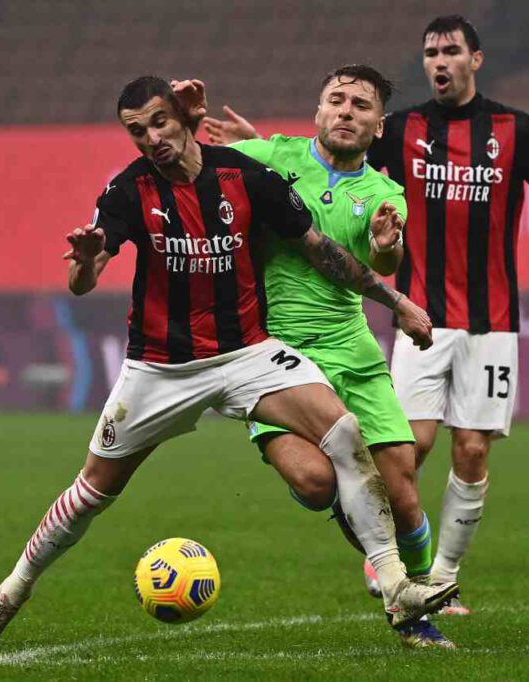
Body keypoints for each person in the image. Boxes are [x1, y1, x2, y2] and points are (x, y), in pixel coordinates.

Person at [205, 15, 529, 614]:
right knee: (408, 450)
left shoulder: (514, 131)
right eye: (430, 53)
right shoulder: (404, 127)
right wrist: (258, 143)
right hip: (424, 317)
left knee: (471, 449)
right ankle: (387, 552)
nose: (439, 62)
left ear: (476, 59)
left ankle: (441, 575)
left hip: (493, 319)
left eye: (450, 52)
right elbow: (325, 168)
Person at [0, 76, 459, 649]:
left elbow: (322, 252)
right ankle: (10, 592)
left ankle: (397, 587)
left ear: (182, 118)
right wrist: (84, 261)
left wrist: (396, 301)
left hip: (246, 353)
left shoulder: (246, 177)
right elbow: (85, 277)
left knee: (345, 436)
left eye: (159, 122)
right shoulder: (128, 189)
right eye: (136, 131)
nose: (151, 139)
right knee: (93, 491)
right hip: (159, 366)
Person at [203, 64, 451, 649]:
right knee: (318, 483)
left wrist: (387, 250)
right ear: (317, 112)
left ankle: (418, 606)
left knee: (405, 491)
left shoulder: (386, 194)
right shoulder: (270, 156)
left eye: (360, 105)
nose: (346, 111)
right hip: (273, 356)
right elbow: (201, 160)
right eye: (336, 100)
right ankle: (360, 522)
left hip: (352, 350)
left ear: (377, 125)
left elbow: (382, 264)